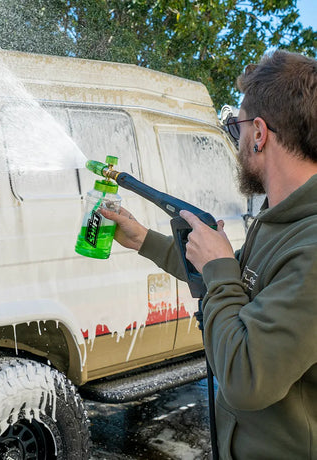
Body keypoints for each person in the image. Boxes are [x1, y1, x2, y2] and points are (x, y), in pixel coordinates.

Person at [100, 50, 317, 459]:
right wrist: (144, 239)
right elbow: (236, 284)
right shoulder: (280, 219)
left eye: (236, 128)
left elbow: (247, 378)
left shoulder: (311, 244)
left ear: (259, 133)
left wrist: (218, 266)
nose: (235, 143)